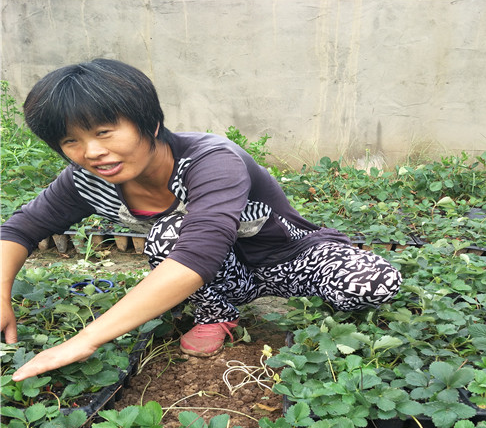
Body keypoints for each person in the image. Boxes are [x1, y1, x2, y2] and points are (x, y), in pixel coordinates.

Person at [1, 59, 402, 382]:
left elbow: (201, 250)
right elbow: (20, 228)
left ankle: (311, 305)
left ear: (149, 122)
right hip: (222, 275)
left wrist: (87, 339)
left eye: (105, 132)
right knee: (171, 231)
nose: (92, 152)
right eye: (71, 141)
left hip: (291, 259)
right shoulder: (86, 181)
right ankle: (216, 312)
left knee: (375, 283)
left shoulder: (211, 158)